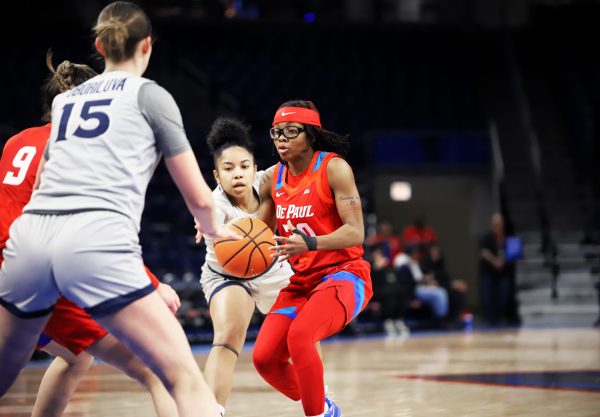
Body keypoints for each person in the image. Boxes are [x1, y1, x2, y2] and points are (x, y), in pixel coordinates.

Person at [0, 3, 237, 416]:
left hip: (28, 243)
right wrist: (217, 230)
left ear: (99, 45)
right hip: (90, 242)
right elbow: (198, 196)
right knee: (177, 374)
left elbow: (42, 187)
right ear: (148, 45)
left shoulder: (64, 106)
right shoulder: (149, 95)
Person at [0, 52, 179, 417]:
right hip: (33, 271)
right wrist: (152, 284)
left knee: (75, 357)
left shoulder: (16, 141)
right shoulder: (76, 149)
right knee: (161, 372)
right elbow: (91, 227)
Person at [252, 100, 373, 417]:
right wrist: (225, 230)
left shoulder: (334, 168)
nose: (282, 138)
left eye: (291, 131)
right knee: (264, 359)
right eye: (276, 132)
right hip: (302, 283)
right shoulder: (272, 180)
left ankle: (316, 414)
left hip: (345, 275)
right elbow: (260, 235)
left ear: (310, 134)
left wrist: (310, 243)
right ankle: (323, 406)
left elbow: (355, 232)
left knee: (301, 336)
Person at [195, 117, 293, 416]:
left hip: (274, 272)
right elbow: (209, 221)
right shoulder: (214, 205)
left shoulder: (269, 180)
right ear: (216, 175)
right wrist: (205, 222)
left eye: (244, 166)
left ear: (254, 168)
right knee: (228, 336)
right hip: (228, 276)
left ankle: (316, 395)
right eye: (228, 169)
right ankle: (212, 410)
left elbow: (295, 167)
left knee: (300, 338)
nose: (238, 174)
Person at [479, 212, 519, 326]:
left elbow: (514, 252)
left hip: (504, 273)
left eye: (499, 224)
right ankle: (489, 321)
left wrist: (503, 261)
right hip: (489, 273)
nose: (497, 227)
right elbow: (483, 252)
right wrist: (494, 261)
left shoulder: (509, 237)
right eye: (495, 224)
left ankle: (502, 319)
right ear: (492, 225)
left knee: (504, 296)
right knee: (488, 297)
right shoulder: (487, 237)